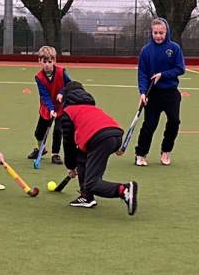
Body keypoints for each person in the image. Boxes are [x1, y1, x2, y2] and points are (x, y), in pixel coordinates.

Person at [52, 80, 137, 215]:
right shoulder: (92, 107)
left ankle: (124, 190)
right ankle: (86, 196)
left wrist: (70, 166)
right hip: (115, 135)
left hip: (99, 139)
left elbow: (68, 144)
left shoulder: (68, 112)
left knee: (91, 183)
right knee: (82, 156)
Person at [134, 17, 186, 167]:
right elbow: (142, 74)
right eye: (155, 33)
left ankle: (166, 151)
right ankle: (141, 154)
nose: (158, 36)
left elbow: (180, 68)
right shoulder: (146, 51)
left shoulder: (174, 48)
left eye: (161, 33)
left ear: (166, 32)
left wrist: (162, 75)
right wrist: (143, 92)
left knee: (174, 122)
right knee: (149, 124)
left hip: (171, 92)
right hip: (153, 93)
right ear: (151, 33)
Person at [31, 46, 70, 164]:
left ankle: (55, 154)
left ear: (54, 61)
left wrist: (62, 93)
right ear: (40, 61)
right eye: (44, 61)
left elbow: (69, 85)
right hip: (47, 107)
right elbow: (44, 95)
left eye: (50, 61)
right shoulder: (39, 77)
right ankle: (41, 149)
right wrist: (51, 109)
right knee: (39, 133)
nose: (47, 64)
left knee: (58, 131)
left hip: (61, 107)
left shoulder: (61, 72)